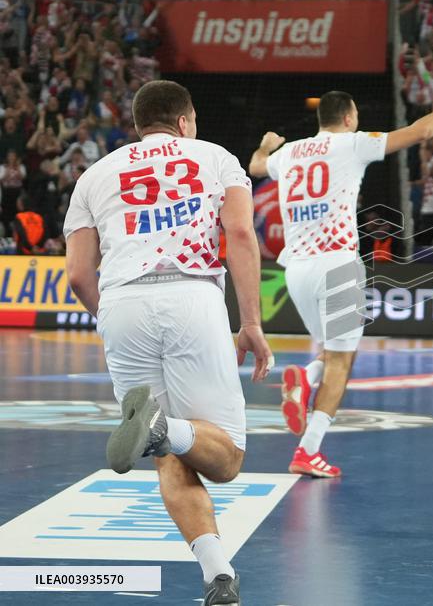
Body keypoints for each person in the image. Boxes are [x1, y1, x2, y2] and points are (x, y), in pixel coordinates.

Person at [64, 80, 272, 606]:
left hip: (121, 303)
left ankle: (218, 575)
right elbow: (242, 237)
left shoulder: (95, 174)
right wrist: (250, 322)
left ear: (139, 124)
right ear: (184, 122)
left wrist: (109, 317)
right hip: (192, 299)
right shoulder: (217, 158)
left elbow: (77, 275)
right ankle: (163, 427)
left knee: (169, 455)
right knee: (227, 460)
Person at [248, 90, 433, 478]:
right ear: (349, 117)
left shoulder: (290, 153)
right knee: (343, 360)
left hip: (296, 268)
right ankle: (308, 450)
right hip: (337, 263)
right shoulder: (353, 145)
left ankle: (305, 378)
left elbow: (255, 167)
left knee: (333, 353)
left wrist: (266, 145)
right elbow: (420, 132)